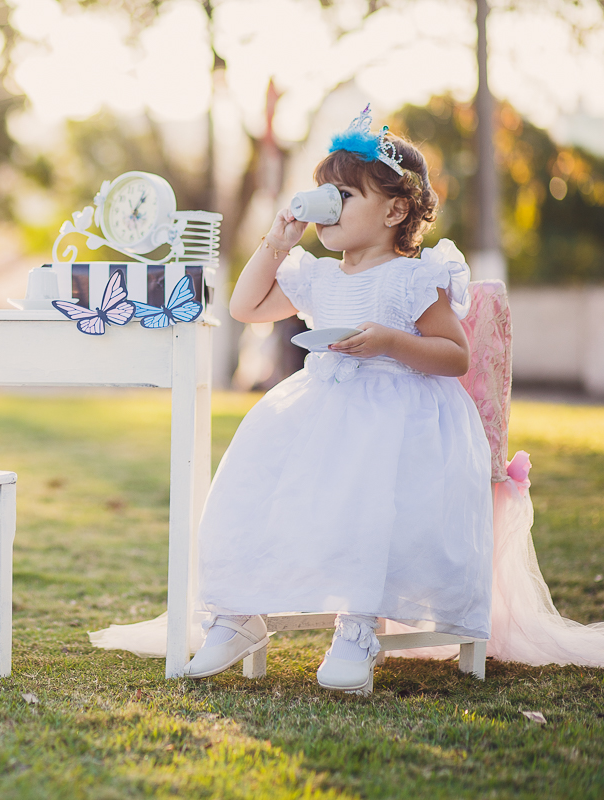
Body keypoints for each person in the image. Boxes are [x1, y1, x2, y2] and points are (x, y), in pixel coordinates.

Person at [184, 107, 492, 694]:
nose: (327, 206)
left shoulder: (410, 278)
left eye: (343, 196)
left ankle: (357, 626)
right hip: (322, 404)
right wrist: (276, 243)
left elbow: (456, 355)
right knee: (256, 480)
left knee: (365, 498)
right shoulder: (318, 277)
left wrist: (393, 342)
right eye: (323, 193)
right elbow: (246, 307)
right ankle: (239, 611)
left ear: (395, 210)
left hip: (395, 414)